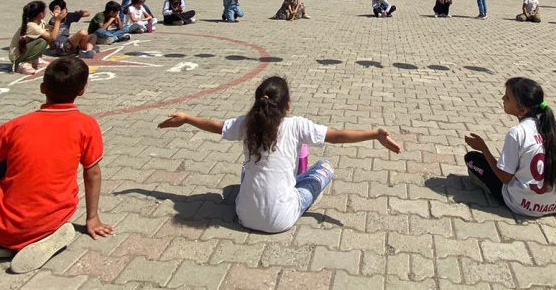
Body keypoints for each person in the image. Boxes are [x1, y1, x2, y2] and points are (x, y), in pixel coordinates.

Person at [156, 76, 402, 233]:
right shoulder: (297, 125)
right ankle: (299, 195)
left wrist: (187, 118)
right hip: (280, 221)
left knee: (246, 169)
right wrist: (375, 134)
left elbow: (215, 125)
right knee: (325, 166)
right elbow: (336, 135)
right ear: (287, 105)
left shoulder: (246, 123)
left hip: (244, 217)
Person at [0, 56, 113, 274]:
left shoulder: (15, 125)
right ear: (82, 91)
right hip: (47, 220)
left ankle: (8, 244)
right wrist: (92, 217)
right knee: (54, 203)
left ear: (42, 88)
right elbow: (93, 174)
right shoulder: (86, 125)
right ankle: (46, 236)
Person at [464, 77, 556, 217]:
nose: (503, 98)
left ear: (521, 110)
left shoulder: (517, 133)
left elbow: (505, 179)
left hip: (523, 205)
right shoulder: (552, 130)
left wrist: (483, 148)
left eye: (507, 97)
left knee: (472, 158)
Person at [10, 1, 58, 75]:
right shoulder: (32, 26)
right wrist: (58, 20)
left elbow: (53, 30)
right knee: (43, 40)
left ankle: (35, 60)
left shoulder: (40, 22)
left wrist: (56, 19)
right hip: (17, 57)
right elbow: (52, 37)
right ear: (41, 14)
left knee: (45, 36)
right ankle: (23, 64)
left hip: (22, 52)